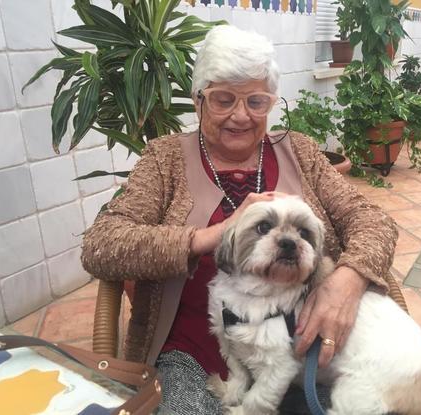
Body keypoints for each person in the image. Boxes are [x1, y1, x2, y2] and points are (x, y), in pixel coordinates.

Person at [81, 25, 398, 414]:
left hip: (300, 350)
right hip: (195, 352)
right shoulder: (165, 160)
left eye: (256, 101)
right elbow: (102, 245)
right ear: (199, 100)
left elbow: (374, 222)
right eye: (223, 99)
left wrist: (344, 284)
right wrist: (212, 235)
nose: (241, 115)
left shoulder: (299, 151)